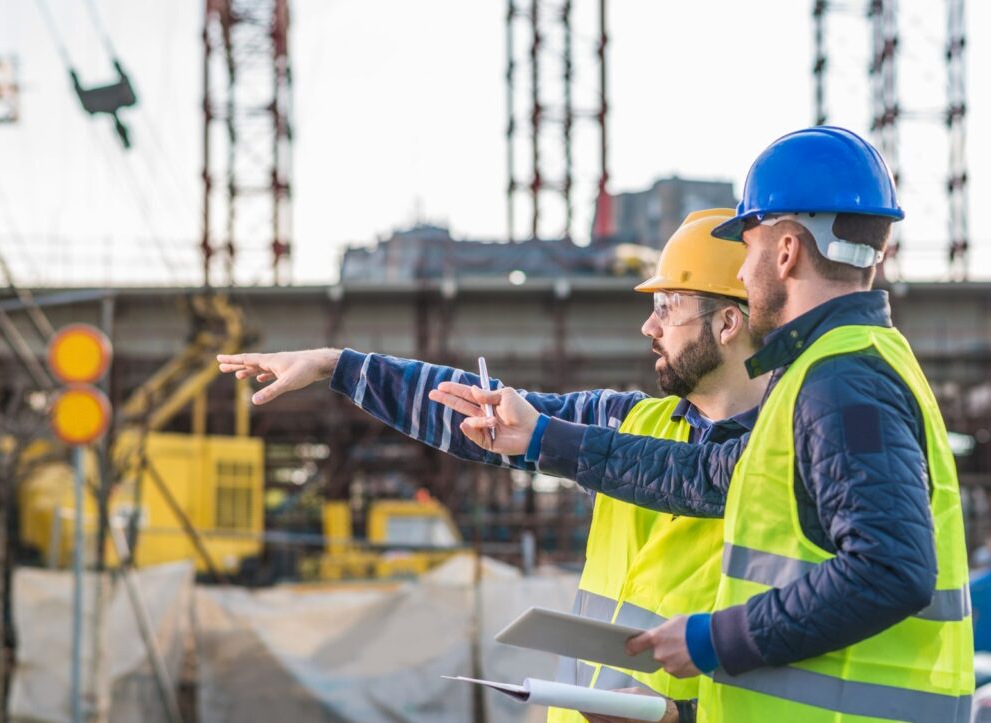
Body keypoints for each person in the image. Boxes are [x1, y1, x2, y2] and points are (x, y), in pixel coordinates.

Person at [441, 127, 974, 723]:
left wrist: (710, 640)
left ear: (787, 251)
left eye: (746, 250)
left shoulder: (843, 379)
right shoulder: (830, 371)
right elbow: (703, 472)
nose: (743, 275)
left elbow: (890, 570)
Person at [218, 209, 768, 723]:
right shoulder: (628, 422)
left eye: (666, 309)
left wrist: (681, 715)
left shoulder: (793, 453)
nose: (649, 328)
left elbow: (800, 650)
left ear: (725, 322)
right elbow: (483, 416)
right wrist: (338, 366)